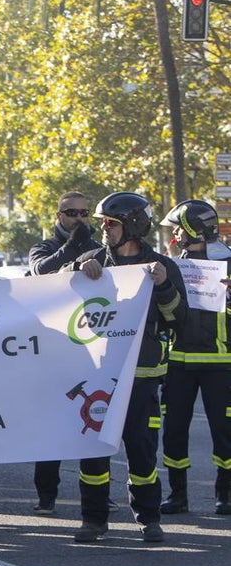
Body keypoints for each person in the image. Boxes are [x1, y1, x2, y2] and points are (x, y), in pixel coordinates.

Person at [65, 191, 186, 543]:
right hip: (97, 377)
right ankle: (93, 520)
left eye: (111, 223)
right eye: (103, 223)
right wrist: (75, 271)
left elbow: (179, 319)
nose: (104, 228)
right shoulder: (90, 261)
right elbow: (52, 292)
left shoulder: (162, 267)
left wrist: (163, 285)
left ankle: (149, 519)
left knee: (142, 453)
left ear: (133, 226)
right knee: (93, 455)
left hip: (141, 378)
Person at [28, 191, 103, 514]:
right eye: (73, 213)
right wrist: (74, 251)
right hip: (54, 349)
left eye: (85, 213)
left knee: (94, 420)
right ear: (59, 216)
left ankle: (98, 494)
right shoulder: (44, 247)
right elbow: (39, 272)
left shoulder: (100, 248)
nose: (80, 219)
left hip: (91, 347)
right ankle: (46, 495)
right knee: (52, 426)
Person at [158, 200, 231, 516]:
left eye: (178, 229)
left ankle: (225, 494)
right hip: (179, 362)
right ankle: (178, 495)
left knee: (225, 433)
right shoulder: (172, 266)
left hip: (221, 363)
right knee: (174, 431)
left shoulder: (228, 263)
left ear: (193, 229)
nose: (175, 235)